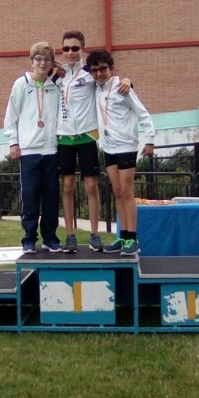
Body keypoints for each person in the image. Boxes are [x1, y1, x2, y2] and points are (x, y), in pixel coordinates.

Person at [57, 30, 130, 253]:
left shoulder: (90, 71)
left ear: (82, 50)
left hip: (87, 135)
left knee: (91, 185)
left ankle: (94, 234)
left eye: (75, 48)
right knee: (67, 186)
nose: (70, 52)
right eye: (66, 48)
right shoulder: (57, 74)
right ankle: (70, 235)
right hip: (63, 136)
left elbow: (110, 78)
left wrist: (127, 80)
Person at [86, 49, 155, 256]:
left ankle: (133, 239)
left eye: (103, 69)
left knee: (126, 191)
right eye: (95, 70)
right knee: (116, 191)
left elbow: (142, 113)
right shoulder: (95, 89)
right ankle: (122, 236)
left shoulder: (122, 87)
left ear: (111, 69)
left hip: (126, 145)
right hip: (108, 147)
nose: (99, 74)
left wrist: (150, 139)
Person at [4, 41, 62, 254]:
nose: (42, 63)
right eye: (38, 59)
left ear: (52, 63)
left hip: (50, 150)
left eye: (47, 59)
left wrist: (61, 72)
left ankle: (50, 238)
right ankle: (29, 239)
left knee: (50, 197)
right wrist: (13, 142)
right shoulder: (22, 84)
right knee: (30, 197)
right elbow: (12, 115)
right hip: (29, 150)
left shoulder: (55, 86)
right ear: (32, 61)